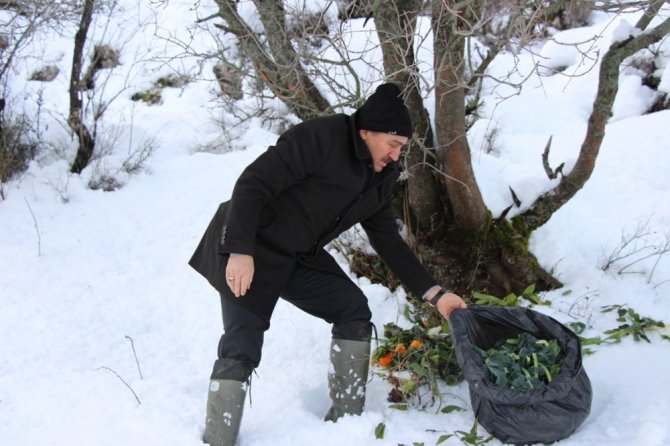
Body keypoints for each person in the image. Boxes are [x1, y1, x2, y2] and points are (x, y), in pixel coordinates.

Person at [189, 82, 467, 446]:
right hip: (251, 244)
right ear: (367, 131)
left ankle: (345, 424)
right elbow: (252, 184)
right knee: (242, 345)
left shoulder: (380, 177)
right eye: (394, 145)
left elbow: (387, 241)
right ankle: (216, 440)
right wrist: (240, 250)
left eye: (402, 148)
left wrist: (436, 294)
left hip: (297, 255)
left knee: (352, 309)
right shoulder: (322, 138)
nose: (397, 156)